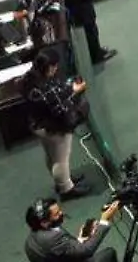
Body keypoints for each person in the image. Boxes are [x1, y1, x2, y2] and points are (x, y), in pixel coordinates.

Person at [24, 48, 89, 198]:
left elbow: (54, 94)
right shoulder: (45, 87)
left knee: (51, 156)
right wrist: (75, 93)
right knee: (61, 158)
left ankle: (63, 181)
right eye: (55, 66)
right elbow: (60, 109)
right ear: (49, 66)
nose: (56, 69)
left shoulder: (30, 78)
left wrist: (68, 89)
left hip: (37, 124)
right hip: (53, 128)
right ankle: (66, 189)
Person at [24, 196, 121, 262]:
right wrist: (104, 220)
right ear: (44, 222)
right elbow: (86, 251)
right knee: (109, 253)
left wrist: (80, 239)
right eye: (57, 214)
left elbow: (60, 251)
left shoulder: (32, 237)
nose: (61, 213)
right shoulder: (53, 237)